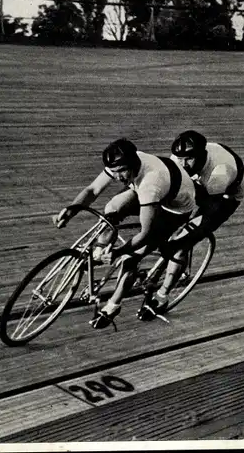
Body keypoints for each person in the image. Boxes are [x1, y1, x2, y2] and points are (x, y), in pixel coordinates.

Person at [53, 138, 198, 329]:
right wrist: (70, 210)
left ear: (134, 164)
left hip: (174, 208)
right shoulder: (122, 163)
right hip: (161, 185)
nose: (118, 177)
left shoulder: (150, 184)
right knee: (112, 207)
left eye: (122, 171)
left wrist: (118, 253)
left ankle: (113, 305)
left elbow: (145, 234)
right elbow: (93, 189)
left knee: (131, 257)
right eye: (114, 173)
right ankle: (101, 248)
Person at [165, 129, 244, 262]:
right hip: (205, 177)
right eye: (181, 159)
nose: (183, 164)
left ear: (201, 155)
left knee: (187, 240)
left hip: (225, 195)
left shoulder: (220, 173)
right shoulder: (177, 158)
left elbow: (208, 207)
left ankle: (169, 278)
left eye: (189, 159)